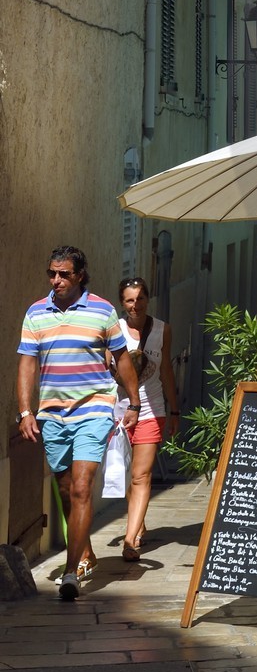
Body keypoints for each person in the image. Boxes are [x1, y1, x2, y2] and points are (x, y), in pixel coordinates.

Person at [16, 247, 138, 601]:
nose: (57, 280)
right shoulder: (36, 313)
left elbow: (122, 357)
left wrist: (133, 400)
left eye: (64, 274)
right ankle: (85, 553)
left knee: (83, 487)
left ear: (80, 275)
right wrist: (26, 411)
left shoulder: (102, 310)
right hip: (52, 414)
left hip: (94, 409)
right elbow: (27, 363)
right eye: (52, 273)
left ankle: (71, 572)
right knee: (67, 490)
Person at [115, 277, 180, 562]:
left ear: (147, 299)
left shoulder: (162, 329)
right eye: (129, 300)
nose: (135, 305)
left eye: (139, 299)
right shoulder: (114, 329)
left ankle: (130, 540)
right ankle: (137, 522)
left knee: (141, 475)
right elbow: (107, 367)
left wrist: (174, 408)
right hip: (119, 410)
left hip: (152, 409)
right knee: (127, 473)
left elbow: (165, 368)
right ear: (122, 303)